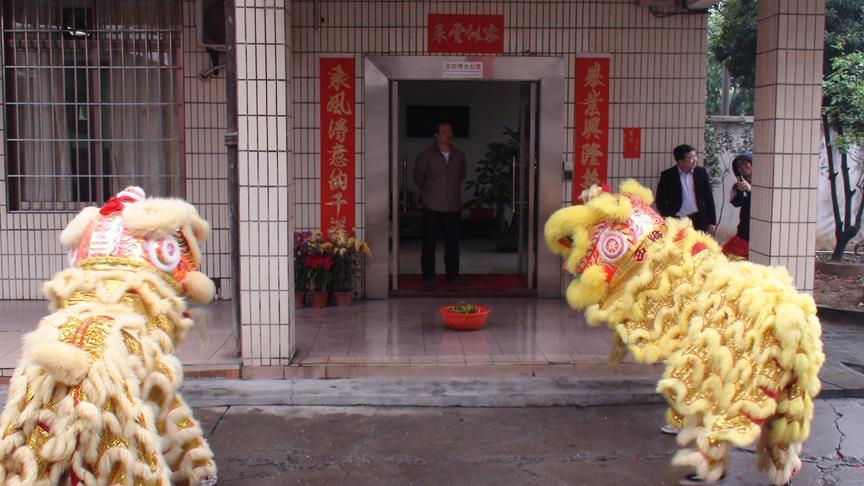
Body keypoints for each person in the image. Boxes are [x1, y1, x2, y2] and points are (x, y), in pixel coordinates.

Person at [413, 122, 467, 289]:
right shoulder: (426, 155)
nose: (448, 135)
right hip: (432, 205)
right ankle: (429, 276)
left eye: (450, 132)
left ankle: (452, 275)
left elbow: (462, 175)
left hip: (453, 206)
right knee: (429, 243)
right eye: (444, 132)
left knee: (453, 244)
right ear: (436, 136)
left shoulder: (459, 155)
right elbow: (418, 177)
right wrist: (430, 191)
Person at [656, 144, 717, 235]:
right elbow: (660, 200)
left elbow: (708, 198)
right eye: (691, 158)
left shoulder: (701, 172)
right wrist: (667, 217)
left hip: (698, 219)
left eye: (695, 156)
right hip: (677, 220)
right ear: (680, 161)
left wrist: (712, 221)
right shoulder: (668, 175)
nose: (695, 160)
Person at [721, 154, 753, 260]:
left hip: (761, 229)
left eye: (745, 163)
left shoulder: (765, 183)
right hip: (744, 230)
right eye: (739, 166)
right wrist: (740, 190)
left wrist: (750, 190)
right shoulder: (737, 185)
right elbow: (735, 203)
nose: (743, 167)